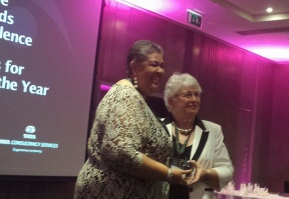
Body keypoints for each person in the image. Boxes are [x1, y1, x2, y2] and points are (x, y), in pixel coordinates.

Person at [74, 41, 197, 199]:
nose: (160, 71)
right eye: (154, 64)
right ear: (134, 67)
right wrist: (169, 173)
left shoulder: (135, 98)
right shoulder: (126, 96)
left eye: (162, 65)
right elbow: (121, 152)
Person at [163, 72, 234, 199]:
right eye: (188, 95)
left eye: (197, 94)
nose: (194, 99)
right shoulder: (158, 127)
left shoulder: (213, 130)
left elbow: (227, 170)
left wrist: (205, 173)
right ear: (171, 101)